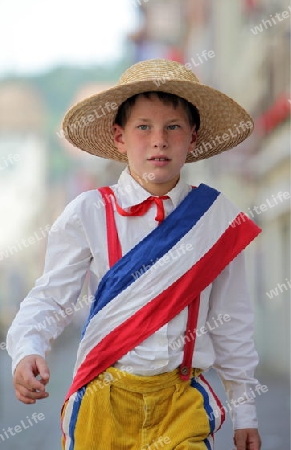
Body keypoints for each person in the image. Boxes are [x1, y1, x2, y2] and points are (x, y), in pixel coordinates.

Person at [6, 59, 262, 450]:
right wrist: (27, 349)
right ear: (119, 137)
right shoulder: (89, 211)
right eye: (143, 126)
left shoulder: (216, 219)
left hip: (182, 403)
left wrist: (246, 412)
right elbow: (51, 296)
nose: (158, 139)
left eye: (172, 127)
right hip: (103, 399)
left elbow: (233, 321)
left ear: (193, 138)